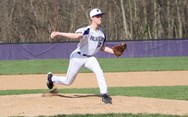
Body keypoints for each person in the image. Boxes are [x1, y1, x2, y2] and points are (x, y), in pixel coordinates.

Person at [47, 8, 115, 104]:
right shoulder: (86, 30)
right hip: (77, 57)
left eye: (101, 16)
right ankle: (51, 78)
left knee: (99, 71)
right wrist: (58, 33)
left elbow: (101, 47)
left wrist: (113, 51)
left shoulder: (102, 33)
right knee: (68, 82)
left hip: (89, 58)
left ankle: (104, 94)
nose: (100, 17)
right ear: (92, 18)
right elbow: (76, 36)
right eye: (98, 16)